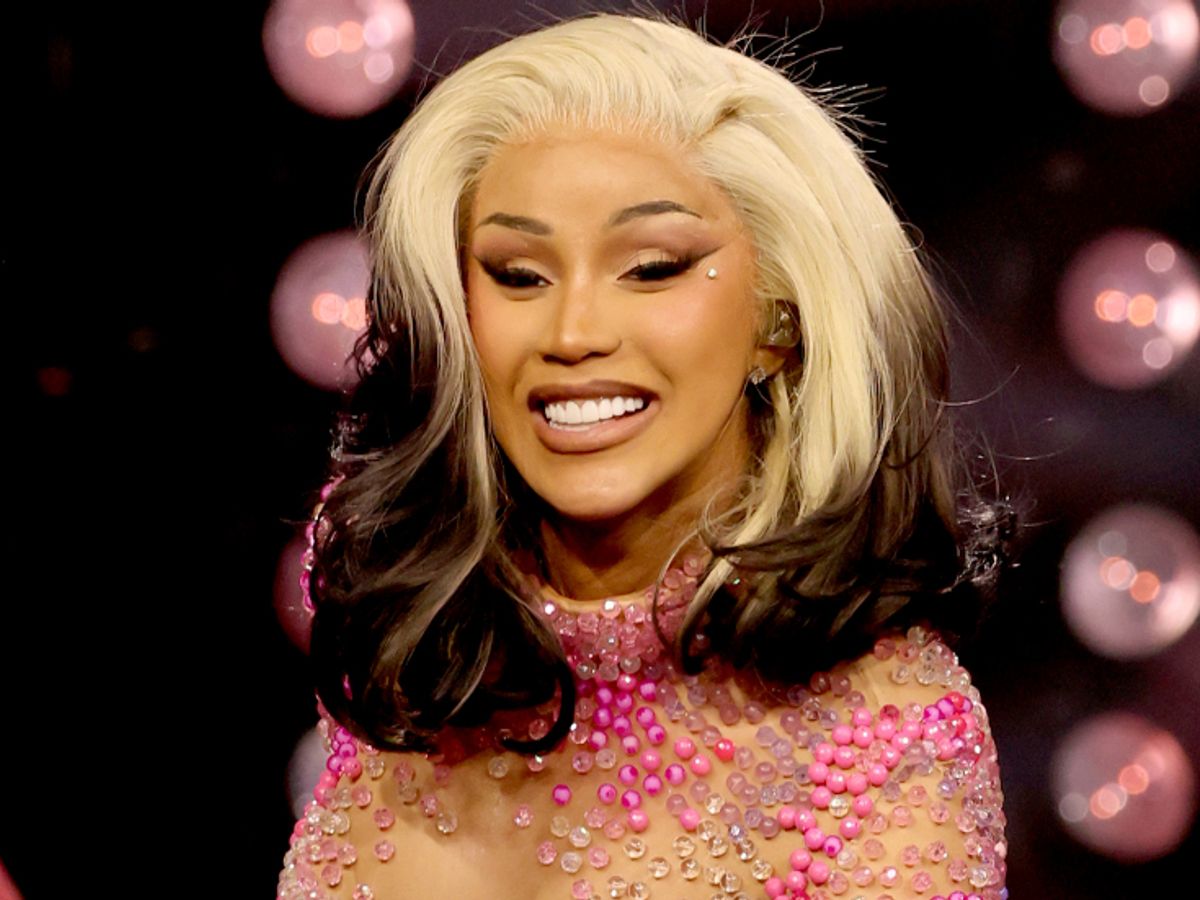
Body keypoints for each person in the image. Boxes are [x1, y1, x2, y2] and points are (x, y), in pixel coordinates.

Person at [277, 13, 1012, 900]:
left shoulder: (890, 743)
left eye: (653, 267)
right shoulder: (416, 666)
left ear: (779, 321)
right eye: (519, 275)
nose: (573, 332)